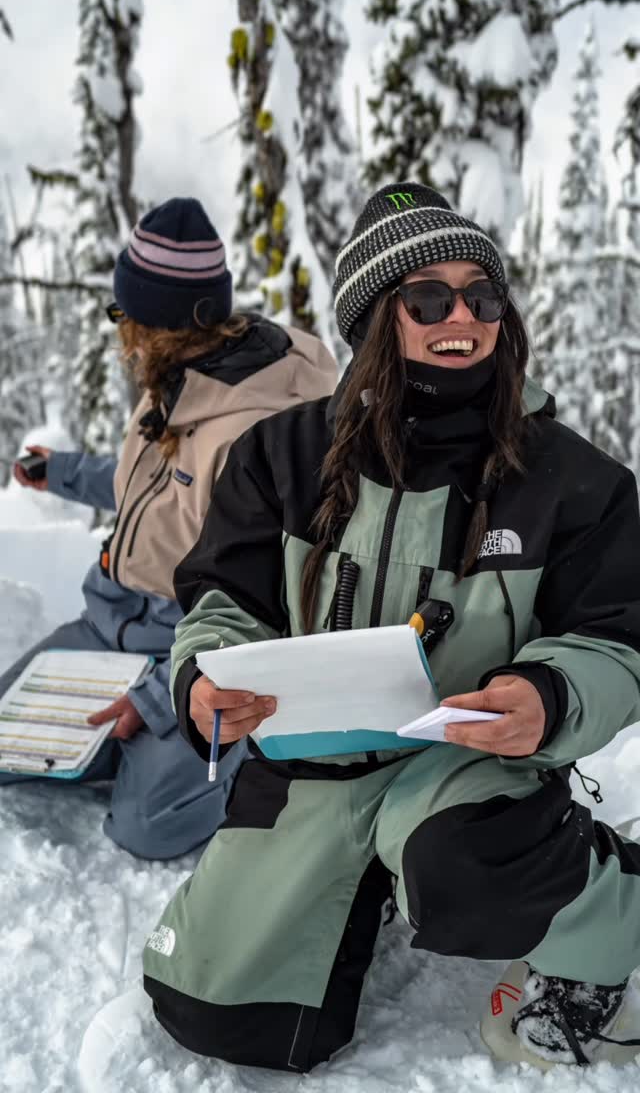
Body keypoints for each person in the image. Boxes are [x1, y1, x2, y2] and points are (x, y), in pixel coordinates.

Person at [142, 182, 640, 1067]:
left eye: (482, 296)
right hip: (315, 767)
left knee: (460, 868)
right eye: (429, 298)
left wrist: (550, 694)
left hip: (468, 765)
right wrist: (206, 680)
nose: (464, 316)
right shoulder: (281, 456)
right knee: (216, 1016)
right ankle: (364, 874)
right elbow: (223, 601)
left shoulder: (571, 480)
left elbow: (615, 636)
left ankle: (611, 910)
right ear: (378, 315)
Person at [1, 196, 337, 861]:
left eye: (125, 317)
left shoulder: (251, 431)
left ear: (163, 325)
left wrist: (157, 703)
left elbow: (264, 598)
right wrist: (62, 473)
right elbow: (155, 490)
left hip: (191, 647)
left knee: (148, 825)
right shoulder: (181, 380)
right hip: (109, 626)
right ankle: (125, 747)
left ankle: (243, 751)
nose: (121, 333)